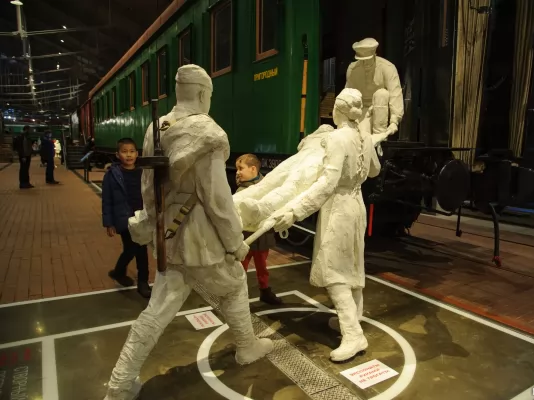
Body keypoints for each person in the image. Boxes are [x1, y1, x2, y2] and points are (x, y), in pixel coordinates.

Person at [103, 64, 273, 400]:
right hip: (201, 239)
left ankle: (119, 385)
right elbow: (217, 200)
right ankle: (247, 347)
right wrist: (234, 242)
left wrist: (152, 224)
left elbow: (149, 187)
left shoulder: (157, 126)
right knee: (235, 284)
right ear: (201, 93)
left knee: (157, 310)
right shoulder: (208, 133)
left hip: (170, 237)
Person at [270, 88, 381, 363]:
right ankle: (353, 319)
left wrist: (294, 211)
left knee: (334, 272)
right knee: (352, 266)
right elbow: (374, 170)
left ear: (338, 111)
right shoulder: (363, 138)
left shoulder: (336, 138)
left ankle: (353, 334)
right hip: (357, 204)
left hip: (339, 208)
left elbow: (326, 185)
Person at [102, 138, 151, 299]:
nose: (128, 155)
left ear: (137, 154)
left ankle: (122, 273)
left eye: (131, 151)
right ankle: (139, 281)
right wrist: (109, 223)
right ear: (117, 155)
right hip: (124, 219)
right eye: (124, 151)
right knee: (134, 249)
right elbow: (107, 200)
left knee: (139, 249)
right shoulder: (112, 175)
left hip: (141, 217)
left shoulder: (144, 172)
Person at [235, 153, 282, 305]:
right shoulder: (240, 191)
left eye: (240, 168)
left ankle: (265, 291)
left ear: (253, 169)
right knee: (240, 266)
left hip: (263, 235)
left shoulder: (268, 186)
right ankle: (237, 296)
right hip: (245, 236)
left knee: (262, 265)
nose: (237, 172)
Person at [345, 38, 404, 144]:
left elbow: (395, 94)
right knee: (360, 140)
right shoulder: (352, 70)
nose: (366, 63)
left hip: (380, 109)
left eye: (368, 59)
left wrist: (394, 120)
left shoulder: (387, 67)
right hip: (361, 110)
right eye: (362, 60)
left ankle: (380, 140)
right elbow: (347, 95)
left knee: (382, 94)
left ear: (374, 54)